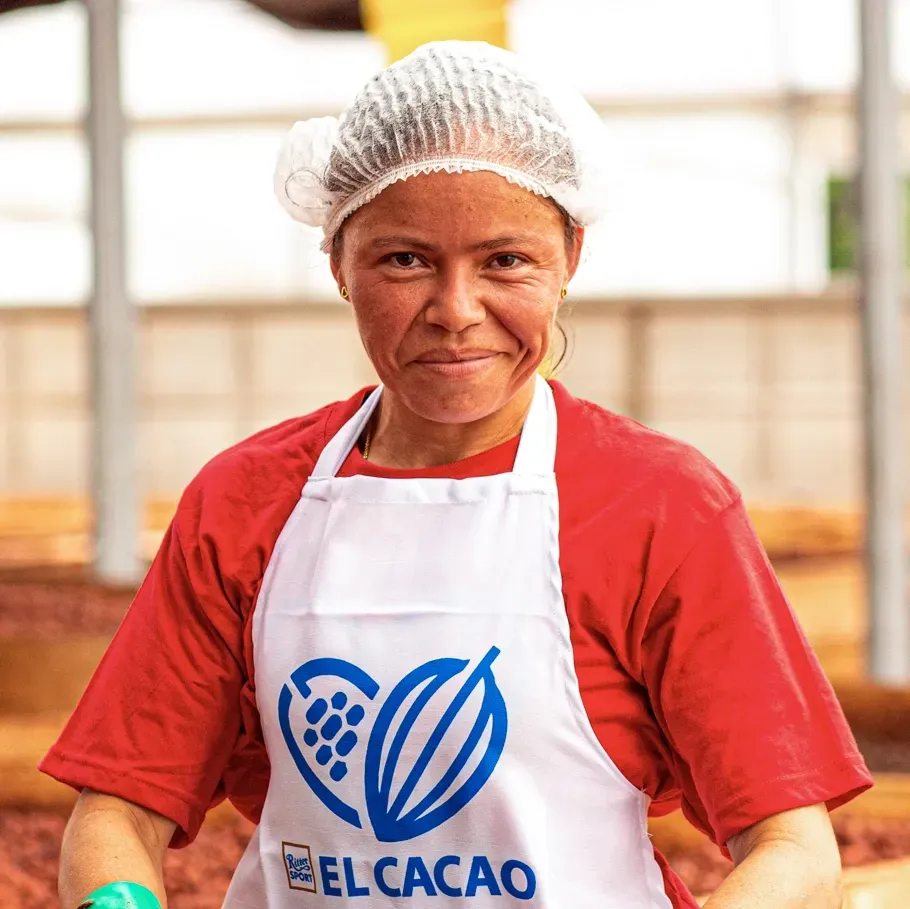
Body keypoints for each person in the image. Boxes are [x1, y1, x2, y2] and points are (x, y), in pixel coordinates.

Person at [43, 41, 871, 909]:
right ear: (337, 263)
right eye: (404, 260)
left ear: (569, 259)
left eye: (505, 261)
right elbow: (120, 811)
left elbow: (793, 847)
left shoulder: (661, 506)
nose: (456, 310)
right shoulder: (243, 501)